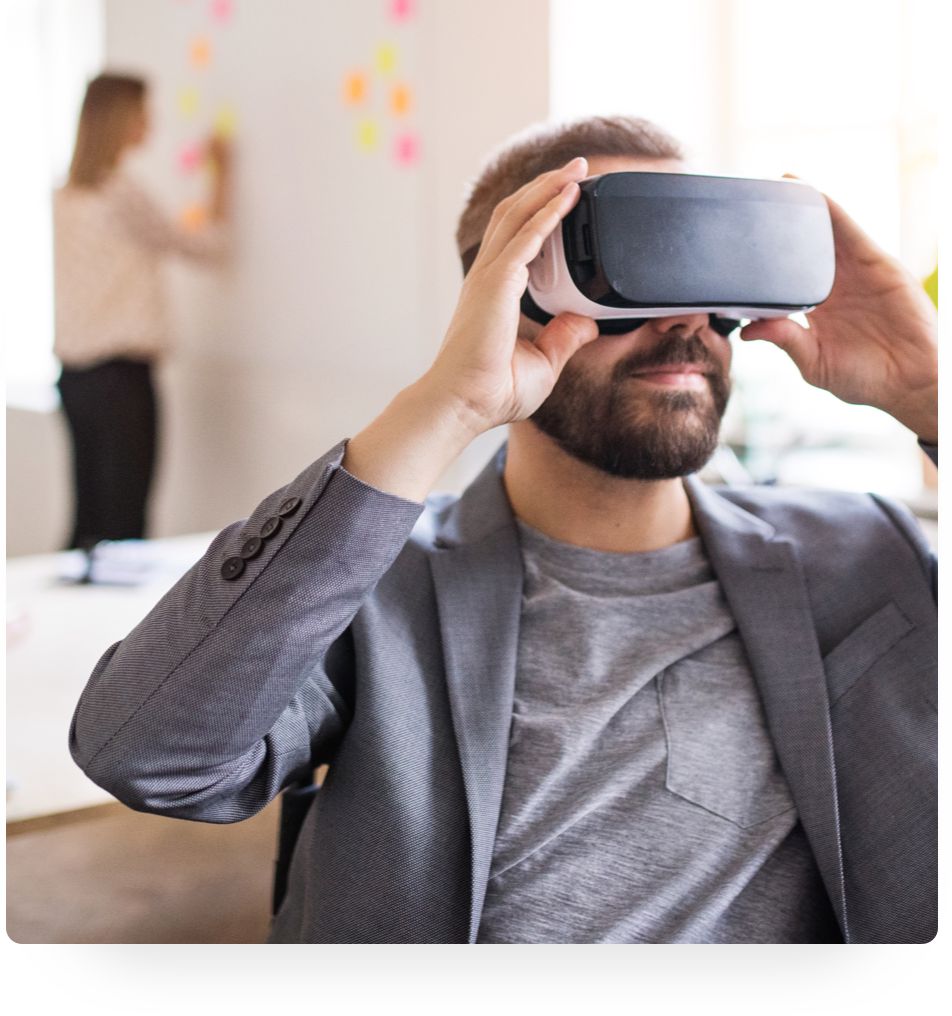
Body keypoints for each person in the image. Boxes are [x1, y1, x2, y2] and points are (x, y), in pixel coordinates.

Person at [68, 116, 937, 944]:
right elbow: (147, 753)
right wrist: (444, 407)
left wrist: (933, 399)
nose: (685, 321)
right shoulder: (372, 588)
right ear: (507, 292)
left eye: (709, 280)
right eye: (639, 273)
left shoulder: (863, 550)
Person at [54, 72, 231, 551]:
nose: (150, 123)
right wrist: (221, 174)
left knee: (89, 519)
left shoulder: (66, 197)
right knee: (123, 525)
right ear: (119, 119)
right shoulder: (120, 195)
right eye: (142, 113)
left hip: (75, 378)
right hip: (120, 380)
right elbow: (203, 247)